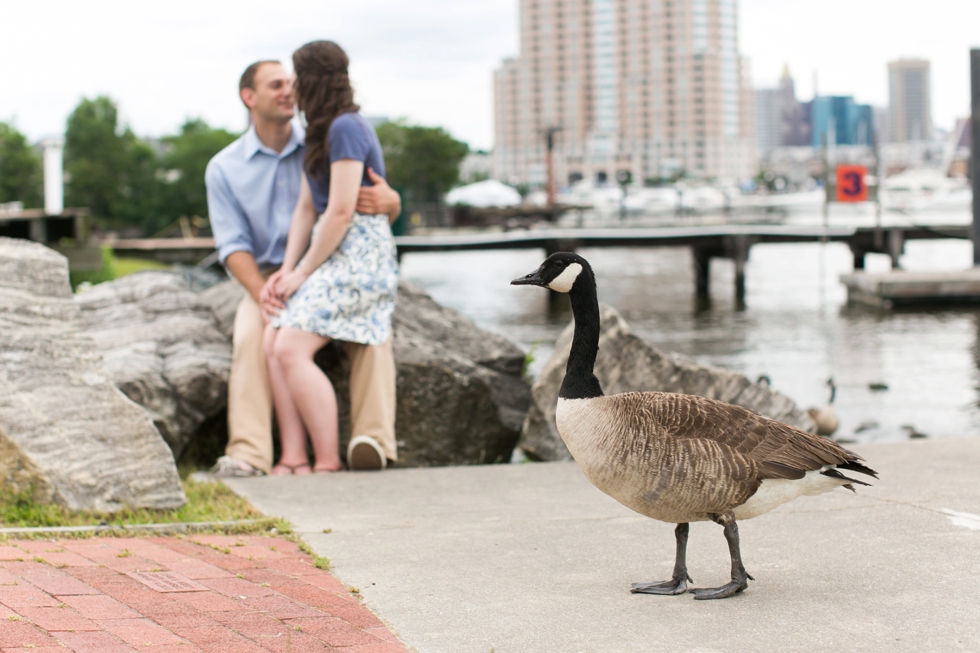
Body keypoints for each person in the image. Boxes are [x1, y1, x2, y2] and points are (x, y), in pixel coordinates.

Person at [205, 58, 400, 477]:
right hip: (268, 275)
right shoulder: (223, 168)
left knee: (373, 334)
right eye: (275, 85)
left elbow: (362, 203)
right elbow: (232, 246)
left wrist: (394, 203)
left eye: (290, 83)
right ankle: (250, 454)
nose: (288, 91)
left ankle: (374, 441)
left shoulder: (323, 139)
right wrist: (264, 292)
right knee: (251, 337)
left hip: (334, 263)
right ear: (249, 97)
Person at [261, 40, 399, 475]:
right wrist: (285, 272)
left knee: (290, 346)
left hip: (359, 251)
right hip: (333, 248)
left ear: (312, 80)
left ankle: (326, 460)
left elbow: (339, 212)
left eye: (297, 77)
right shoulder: (320, 132)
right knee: (272, 340)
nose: (294, 87)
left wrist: (303, 272)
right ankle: (294, 456)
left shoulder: (346, 128)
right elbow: (307, 209)